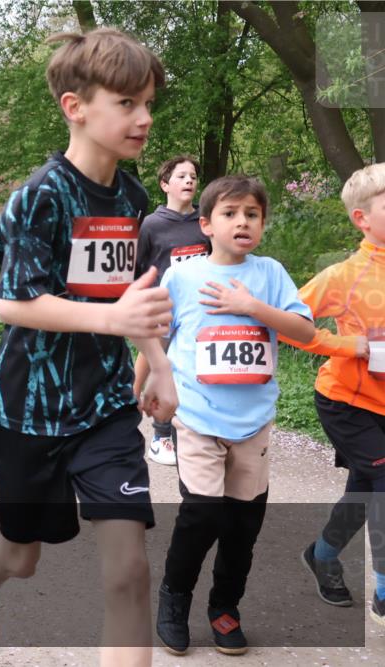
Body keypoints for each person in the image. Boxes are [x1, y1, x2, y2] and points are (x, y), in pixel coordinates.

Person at [0, 29, 175, 665]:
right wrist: (110, 320)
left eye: (148, 103)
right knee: (21, 557)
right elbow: (14, 304)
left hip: (105, 407)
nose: (144, 117)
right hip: (29, 410)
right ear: (75, 107)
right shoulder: (39, 197)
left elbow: (134, 298)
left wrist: (159, 367)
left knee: (129, 571)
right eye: (127, 103)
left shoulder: (134, 199)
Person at [154, 175, 314, 656]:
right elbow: (158, 336)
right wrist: (148, 384)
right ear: (206, 224)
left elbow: (304, 332)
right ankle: (174, 599)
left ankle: (225, 607)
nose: (242, 221)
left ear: (262, 223)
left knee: (243, 525)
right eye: (230, 213)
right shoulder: (182, 276)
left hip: (252, 424)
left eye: (252, 214)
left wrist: (251, 307)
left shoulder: (270, 274)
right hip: (197, 418)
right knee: (202, 514)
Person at [280, 163, 385, 625]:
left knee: (364, 490)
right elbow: (288, 324)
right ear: (362, 218)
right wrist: (346, 345)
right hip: (347, 402)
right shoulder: (345, 276)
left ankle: (322, 555)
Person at [131, 155, 208, 466]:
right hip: (163, 310)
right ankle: (158, 434)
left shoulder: (206, 222)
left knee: (188, 370)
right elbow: (138, 267)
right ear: (165, 185)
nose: (189, 180)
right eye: (181, 176)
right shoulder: (152, 224)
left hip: (200, 310)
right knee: (158, 364)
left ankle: (187, 428)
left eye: (193, 177)